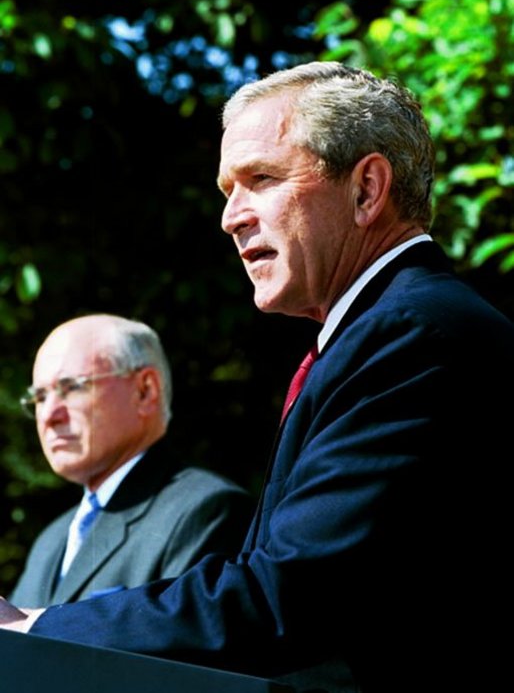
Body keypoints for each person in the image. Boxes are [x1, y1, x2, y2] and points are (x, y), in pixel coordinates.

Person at [1, 62, 513, 693]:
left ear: (367, 190)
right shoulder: (385, 332)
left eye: (262, 179)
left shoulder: (411, 334)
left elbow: (288, 597)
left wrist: (35, 628)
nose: (231, 217)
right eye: (227, 190)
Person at [8, 313, 253, 607]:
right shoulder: (52, 539)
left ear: (144, 391)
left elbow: (179, 644)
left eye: (71, 387)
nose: (49, 415)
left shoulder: (203, 511)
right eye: (40, 397)